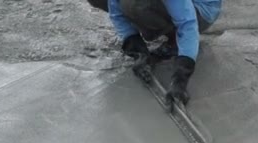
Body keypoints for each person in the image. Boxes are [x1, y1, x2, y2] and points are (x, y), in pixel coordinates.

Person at [87, 0, 222, 106]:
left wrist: (180, 78)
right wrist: (138, 51)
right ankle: (154, 23)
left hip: (201, 10)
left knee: (133, 5)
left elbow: (187, 23)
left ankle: (174, 40)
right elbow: (115, 12)